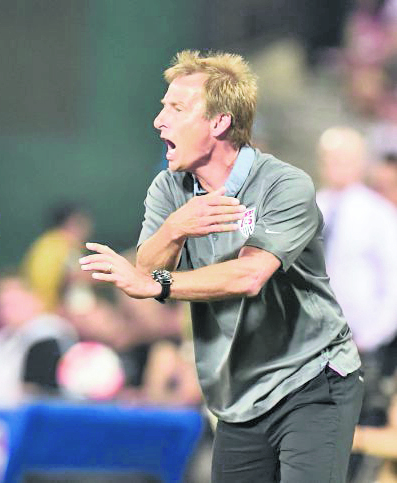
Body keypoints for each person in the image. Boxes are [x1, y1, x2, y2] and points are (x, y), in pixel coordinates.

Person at [79, 50, 363, 482]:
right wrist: (174, 229)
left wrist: (160, 285)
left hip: (311, 379)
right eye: (162, 107)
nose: (159, 121)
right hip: (237, 394)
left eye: (175, 108)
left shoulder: (284, 185)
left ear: (219, 123)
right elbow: (148, 267)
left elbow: (248, 276)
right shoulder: (169, 188)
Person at [316, 126, 397, 426]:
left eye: (345, 157)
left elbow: (393, 283)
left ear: (361, 161)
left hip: (360, 343)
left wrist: (372, 337)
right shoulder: (312, 206)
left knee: (356, 431)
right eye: (329, 156)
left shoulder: (378, 214)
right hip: (313, 343)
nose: (335, 163)